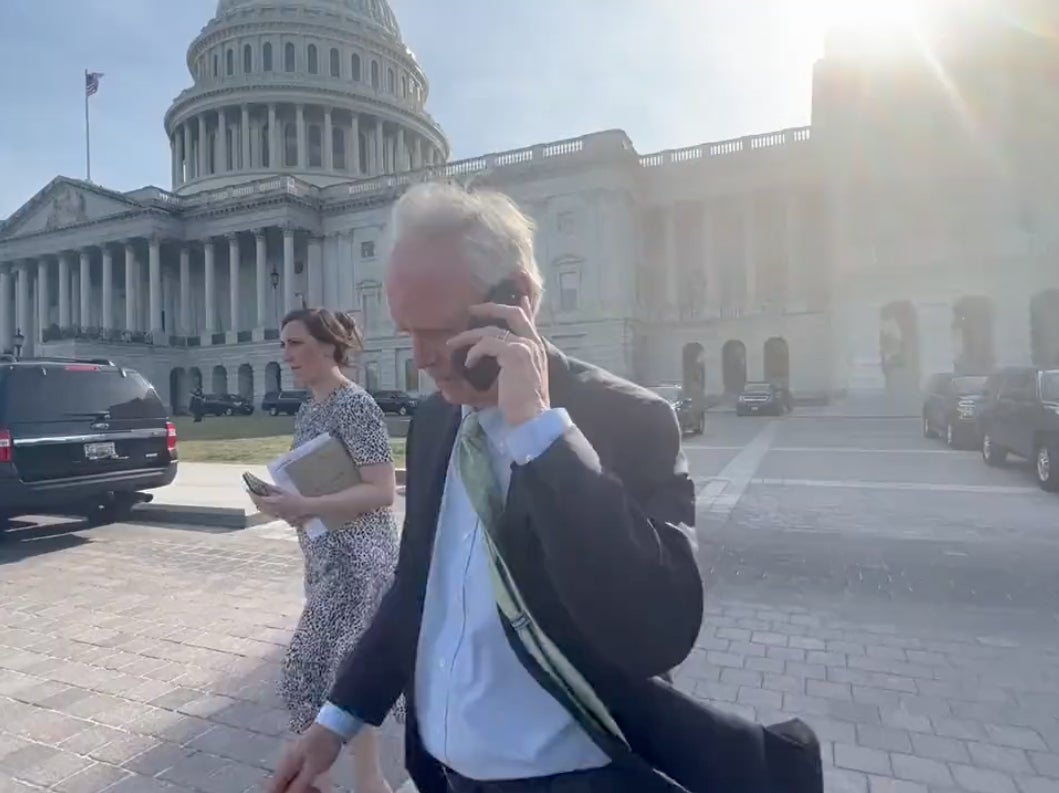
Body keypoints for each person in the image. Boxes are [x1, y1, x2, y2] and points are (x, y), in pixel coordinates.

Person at [268, 184, 820, 793]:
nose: (419, 358)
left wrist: (542, 436)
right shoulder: (433, 422)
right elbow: (415, 590)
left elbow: (661, 623)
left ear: (516, 303)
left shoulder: (629, 419)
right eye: (405, 330)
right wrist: (335, 721)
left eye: (437, 331)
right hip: (443, 774)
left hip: (574, 776)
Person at [250, 307, 398, 793]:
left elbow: (382, 490)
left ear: (329, 347)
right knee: (343, 674)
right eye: (283, 344)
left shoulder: (355, 405)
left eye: (295, 343)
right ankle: (359, 782)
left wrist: (305, 503)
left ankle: (327, 781)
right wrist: (285, 505)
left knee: (310, 673)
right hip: (325, 557)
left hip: (359, 561)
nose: (286, 355)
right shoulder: (309, 409)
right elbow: (313, 490)